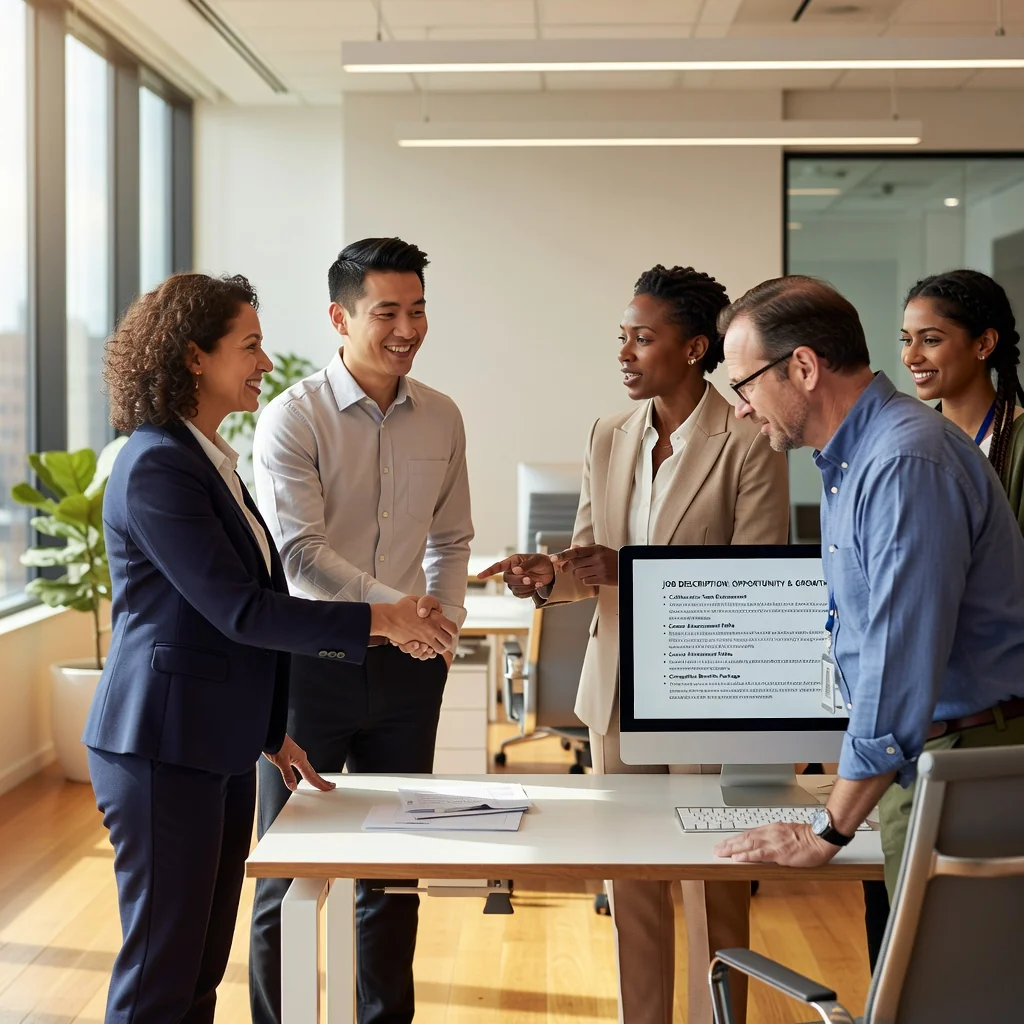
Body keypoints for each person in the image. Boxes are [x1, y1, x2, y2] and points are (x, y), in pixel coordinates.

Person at [85, 272, 455, 1024]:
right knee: (160, 971)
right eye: (248, 346)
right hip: (161, 744)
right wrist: (381, 621)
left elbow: (231, 615)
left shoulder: (205, 458)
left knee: (194, 969)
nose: (263, 361)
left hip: (209, 742)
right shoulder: (156, 464)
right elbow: (240, 611)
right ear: (194, 357)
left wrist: (267, 732)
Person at [480, 265, 789, 1024]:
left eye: (641, 338)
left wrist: (630, 570)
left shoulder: (748, 440)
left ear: (693, 348)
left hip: (710, 691)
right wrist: (546, 576)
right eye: (622, 336)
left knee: (717, 882)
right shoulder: (608, 434)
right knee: (634, 884)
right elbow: (590, 561)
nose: (624, 352)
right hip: (619, 689)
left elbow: (754, 581)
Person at [713, 275, 1024, 903]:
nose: (742, 408)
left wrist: (827, 829)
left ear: (802, 367)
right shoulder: (855, 462)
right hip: (926, 758)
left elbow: (897, 660)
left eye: (744, 386)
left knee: (948, 994)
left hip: (964, 762)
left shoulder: (903, 464)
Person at [249, 238, 473, 1024]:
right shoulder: (292, 417)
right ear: (341, 317)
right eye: (388, 312)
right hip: (311, 667)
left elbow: (452, 540)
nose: (406, 327)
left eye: (417, 310)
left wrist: (440, 624)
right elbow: (301, 555)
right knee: (286, 868)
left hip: (411, 674)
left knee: (395, 871)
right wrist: (400, 611)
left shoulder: (442, 415)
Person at [902, 268, 1024, 529]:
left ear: (983, 344)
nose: (910, 357)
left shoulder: (1019, 441)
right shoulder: (910, 438)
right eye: (906, 339)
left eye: (931, 340)